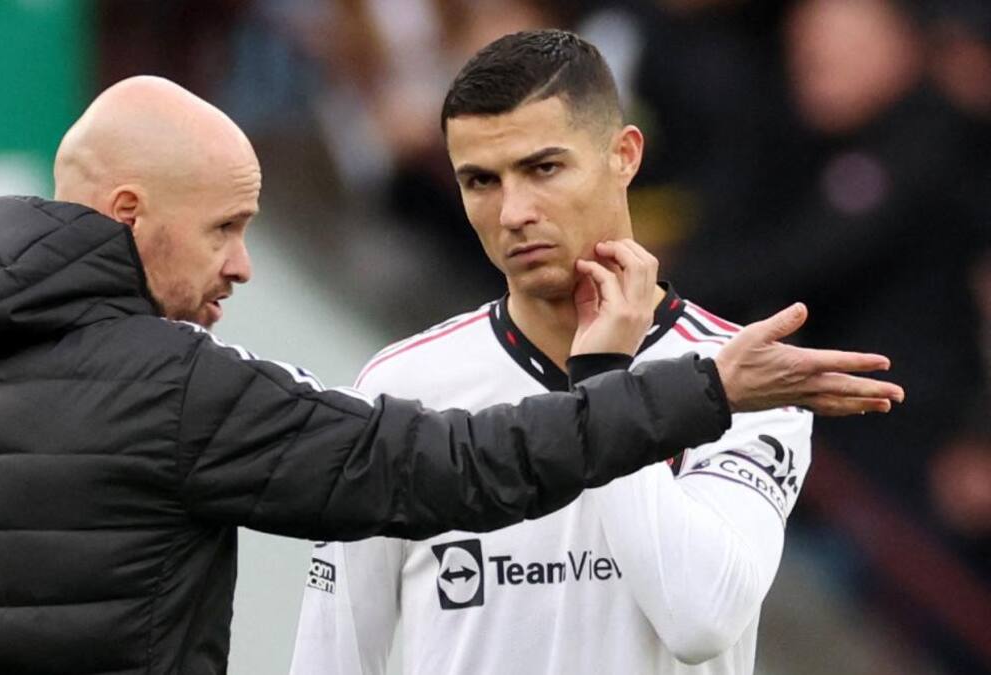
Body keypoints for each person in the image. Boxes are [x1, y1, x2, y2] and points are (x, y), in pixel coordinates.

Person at [0, 75, 901, 675]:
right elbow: (440, 468)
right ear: (128, 218)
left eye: (540, 169)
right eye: (226, 229)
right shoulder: (179, 384)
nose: (243, 264)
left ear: (620, 158)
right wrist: (683, 386)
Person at [289, 30, 836, 675]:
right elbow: (332, 657)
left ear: (624, 155)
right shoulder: (400, 387)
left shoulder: (743, 377)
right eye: (480, 180)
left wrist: (604, 382)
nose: (514, 211)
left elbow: (701, 618)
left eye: (542, 168)